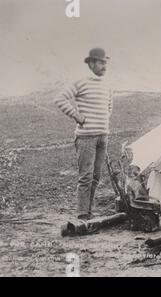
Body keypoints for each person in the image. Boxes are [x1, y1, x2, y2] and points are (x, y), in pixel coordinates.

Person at [54, 48, 113, 220]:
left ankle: (89, 211)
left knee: (96, 176)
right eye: (101, 63)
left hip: (103, 136)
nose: (104, 66)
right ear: (91, 63)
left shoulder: (108, 84)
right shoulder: (80, 82)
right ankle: (82, 214)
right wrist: (76, 115)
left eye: (105, 63)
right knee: (85, 177)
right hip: (86, 137)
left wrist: (101, 123)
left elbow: (109, 107)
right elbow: (59, 99)